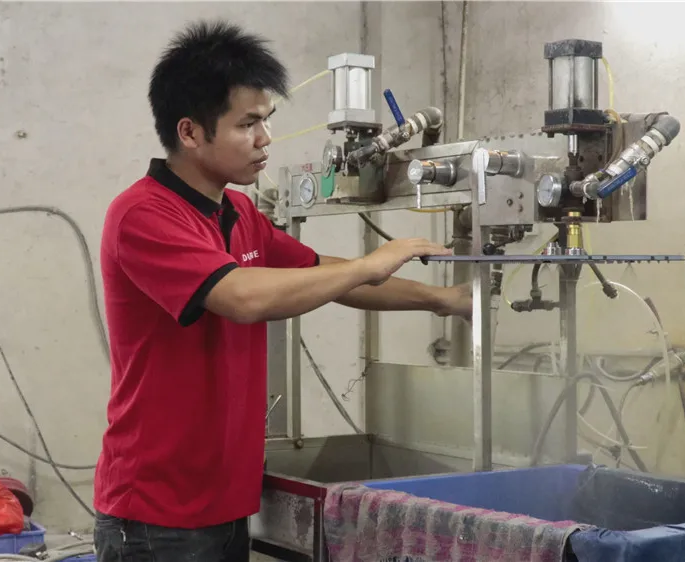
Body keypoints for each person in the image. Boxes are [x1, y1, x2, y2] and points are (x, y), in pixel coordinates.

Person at [93, 19, 472, 562]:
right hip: (158, 512)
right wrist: (371, 263)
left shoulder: (238, 211)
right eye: (248, 124)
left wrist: (444, 300)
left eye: (266, 120)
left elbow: (326, 273)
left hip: (228, 501)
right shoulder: (143, 214)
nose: (265, 139)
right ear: (190, 132)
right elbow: (242, 298)